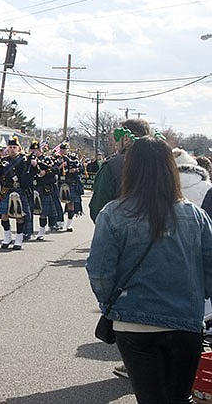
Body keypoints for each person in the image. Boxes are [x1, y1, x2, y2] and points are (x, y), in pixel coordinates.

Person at [86, 136, 212, 403]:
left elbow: (99, 270)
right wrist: (199, 300)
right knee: (179, 398)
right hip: (185, 320)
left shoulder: (113, 213)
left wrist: (111, 303)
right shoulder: (195, 215)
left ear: (130, 170)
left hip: (133, 322)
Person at [89, 118, 150, 222]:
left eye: (117, 138)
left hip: (120, 231)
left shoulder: (112, 166)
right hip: (159, 232)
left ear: (126, 138)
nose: (116, 143)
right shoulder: (163, 163)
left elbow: (98, 209)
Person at [0, 137, 37, 250]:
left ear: (19, 149)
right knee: (4, 216)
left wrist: (34, 164)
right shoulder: (4, 161)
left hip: (20, 190)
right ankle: (7, 237)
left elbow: (32, 173)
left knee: (19, 216)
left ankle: (19, 240)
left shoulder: (24, 160)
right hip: (7, 190)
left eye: (14, 147)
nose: (12, 149)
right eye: (10, 147)